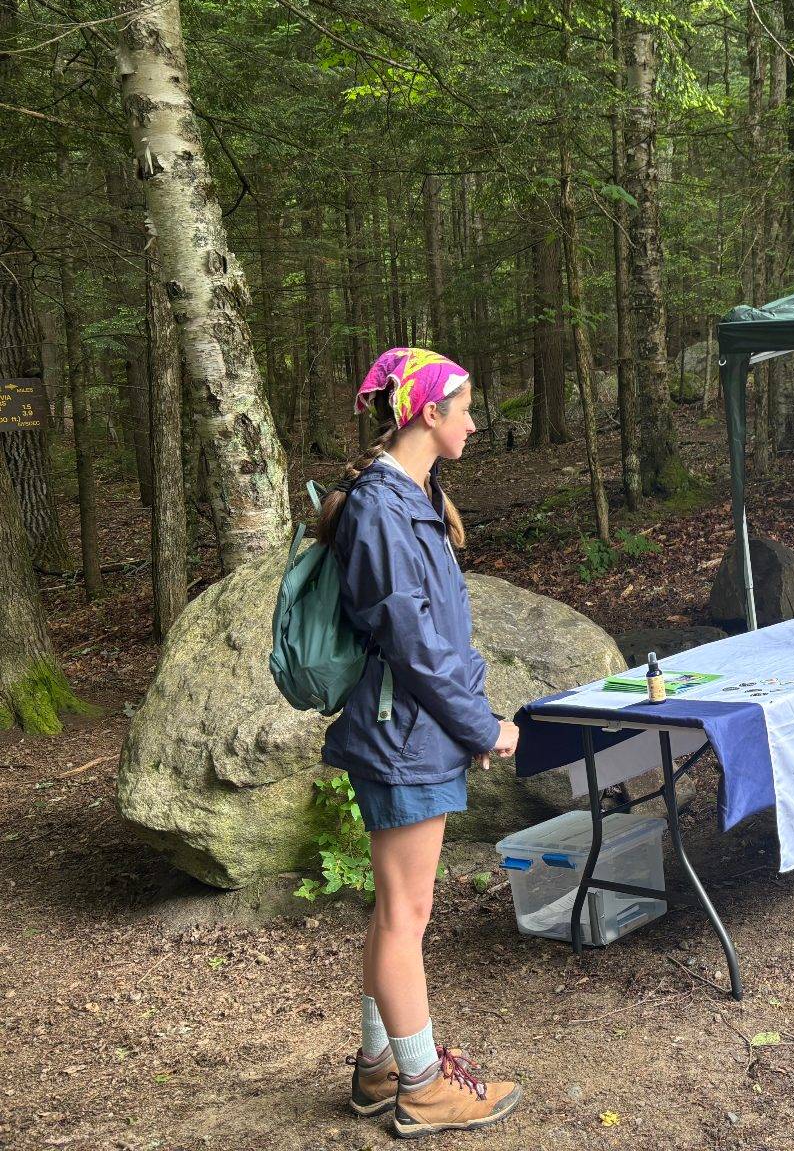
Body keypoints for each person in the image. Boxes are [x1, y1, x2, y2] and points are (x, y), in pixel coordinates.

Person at [317, 347, 523, 1137]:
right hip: (400, 735)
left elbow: (441, 635)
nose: (474, 420)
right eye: (464, 407)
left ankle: (377, 1070)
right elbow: (414, 644)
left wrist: (471, 715)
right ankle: (423, 1085)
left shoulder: (413, 496)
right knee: (409, 912)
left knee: (396, 908)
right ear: (427, 414)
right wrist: (480, 726)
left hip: (412, 729)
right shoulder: (382, 507)